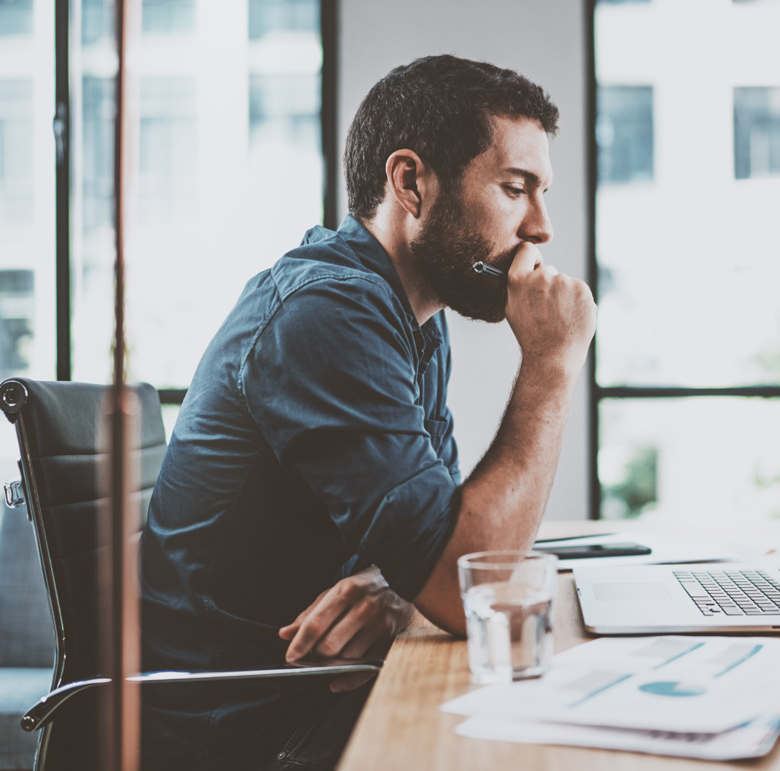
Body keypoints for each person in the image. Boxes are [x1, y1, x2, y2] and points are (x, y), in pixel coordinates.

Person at [139, 54, 596, 770]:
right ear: (410, 182)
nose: (540, 227)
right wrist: (551, 363)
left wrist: (393, 583)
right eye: (516, 189)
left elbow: (439, 542)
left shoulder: (410, 317)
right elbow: (465, 579)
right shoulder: (327, 313)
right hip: (239, 729)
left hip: (314, 693)